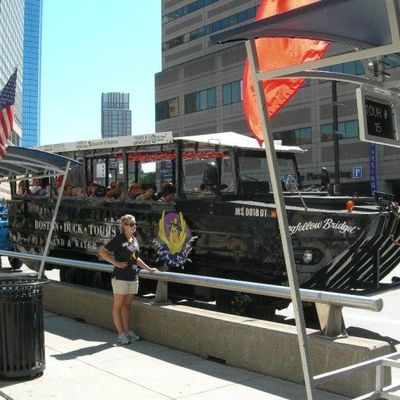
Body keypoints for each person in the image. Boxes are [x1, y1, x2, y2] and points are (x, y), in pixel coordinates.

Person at [98, 214, 157, 345]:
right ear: (123, 226)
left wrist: (148, 269)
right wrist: (116, 263)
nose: (134, 226)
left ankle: (127, 331)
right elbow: (102, 252)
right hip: (120, 278)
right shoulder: (118, 239)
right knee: (118, 307)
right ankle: (120, 334)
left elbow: (136, 258)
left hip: (133, 277)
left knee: (127, 307)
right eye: (131, 224)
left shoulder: (134, 240)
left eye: (135, 224)